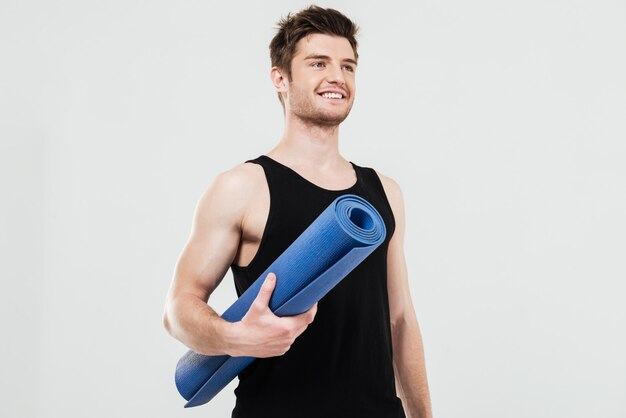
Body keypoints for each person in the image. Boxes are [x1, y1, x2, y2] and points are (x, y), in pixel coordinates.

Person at [163, 5, 433, 418]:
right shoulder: (243, 187)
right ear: (280, 78)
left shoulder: (384, 192)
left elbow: (400, 321)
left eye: (348, 66)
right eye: (318, 63)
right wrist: (237, 338)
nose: (337, 77)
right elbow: (179, 310)